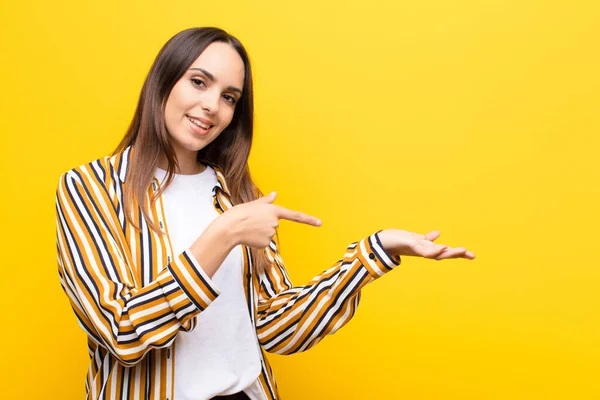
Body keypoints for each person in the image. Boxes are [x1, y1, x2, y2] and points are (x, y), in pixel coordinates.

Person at [55, 27, 475, 400]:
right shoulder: (89, 188)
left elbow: (278, 326)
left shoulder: (238, 195)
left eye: (228, 97)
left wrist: (375, 252)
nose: (211, 106)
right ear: (163, 82)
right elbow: (121, 331)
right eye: (198, 82)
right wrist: (223, 235)